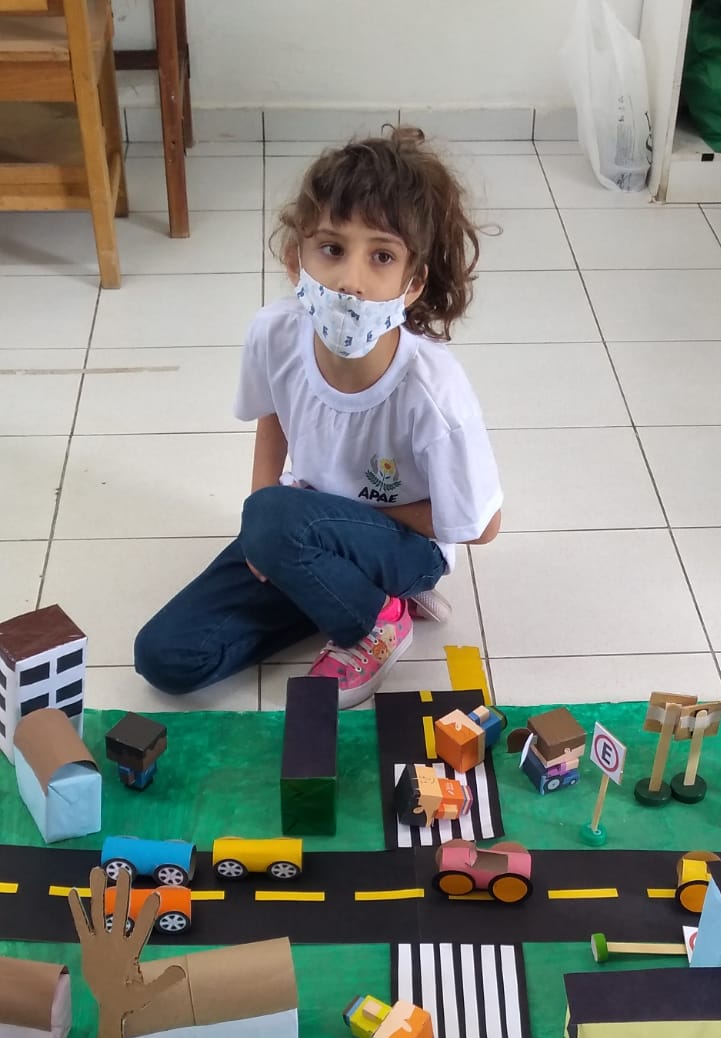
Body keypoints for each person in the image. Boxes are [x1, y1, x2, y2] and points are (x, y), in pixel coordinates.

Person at [134, 126, 502, 709]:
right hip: (300, 525)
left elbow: (482, 525)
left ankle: (378, 619)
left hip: (406, 546)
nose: (350, 281)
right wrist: (262, 525)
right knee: (166, 656)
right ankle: (331, 583)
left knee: (279, 521)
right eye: (331, 249)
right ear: (295, 260)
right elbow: (273, 416)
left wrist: (312, 518)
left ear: (412, 285)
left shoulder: (433, 390)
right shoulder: (274, 333)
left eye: (382, 256)